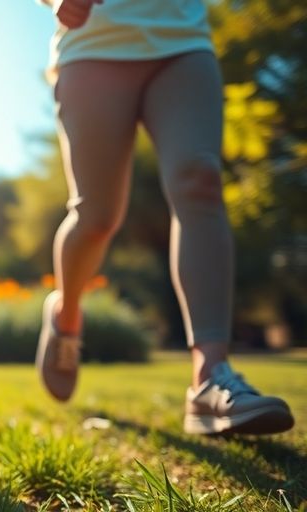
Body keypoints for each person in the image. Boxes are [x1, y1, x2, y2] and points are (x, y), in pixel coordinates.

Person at [36, 0, 294, 435]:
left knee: (201, 181)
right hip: (93, 45)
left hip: (183, 42)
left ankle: (210, 375)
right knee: (96, 216)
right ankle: (67, 313)